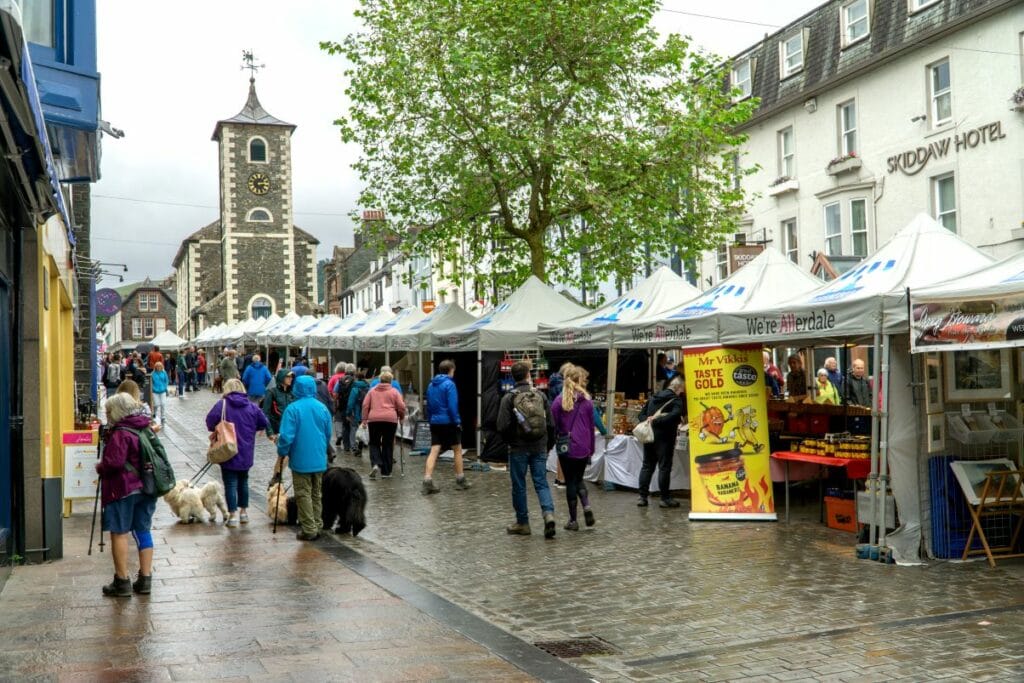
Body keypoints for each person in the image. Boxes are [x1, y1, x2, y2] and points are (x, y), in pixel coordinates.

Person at [96, 392, 158, 597]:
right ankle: (146, 578)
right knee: (143, 530)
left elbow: (114, 463)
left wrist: (100, 467)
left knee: (119, 531)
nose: (107, 415)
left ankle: (122, 581)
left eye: (108, 411)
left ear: (116, 411)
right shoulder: (145, 426)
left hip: (123, 488)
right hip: (147, 487)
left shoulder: (121, 432)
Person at [497, 361, 556, 537]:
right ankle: (548, 514)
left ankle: (523, 523)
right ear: (528, 375)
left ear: (512, 377)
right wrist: (548, 444)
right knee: (541, 482)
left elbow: (501, 426)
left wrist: (511, 442)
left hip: (518, 448)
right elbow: (551, 424)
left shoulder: (508, 397)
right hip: (539, 445)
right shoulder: (540, 396)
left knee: (519, 485)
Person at [206, 378, 270, 528]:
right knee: (244, 481)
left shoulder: (222, 405)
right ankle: (243, 513)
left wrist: (218, 427)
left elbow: (209, 422)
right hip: (246, 450)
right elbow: (264, 422)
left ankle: (232, 515)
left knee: (230, 483)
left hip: (227, 449)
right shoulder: (252, 406)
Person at [275, 375, 332, 541]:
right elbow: (328, 433)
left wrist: (282, 452)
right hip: (319, 457)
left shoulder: (293, 409)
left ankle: (309, 528)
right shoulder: (322, 408)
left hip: (301, 459)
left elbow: (286, 437)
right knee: (316, 493)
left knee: (303, 493)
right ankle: (317, 523)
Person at [551, 365, 597, 531]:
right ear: (580, 381)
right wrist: (591, 448)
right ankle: (587, 506)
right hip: (583, 446)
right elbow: (591, 428)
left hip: (566, 446)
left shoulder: (559, 401)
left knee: (570, 481)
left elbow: (553, 424)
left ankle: (573, 520)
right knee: (579, 479)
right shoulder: (587, 401)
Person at [636, 376, 686, 508]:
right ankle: (664, 498)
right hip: (665, 438)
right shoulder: (676, 400)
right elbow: (675, 414)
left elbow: (640, 415)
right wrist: (658, 421)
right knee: (664, 467)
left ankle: (642, 497)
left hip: (649, 436)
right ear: (678, 388)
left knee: (647, 466)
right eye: (682, 390)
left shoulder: (653, 397)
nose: (682, 392)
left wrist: (649, 421)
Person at [422, 359, 471, 494]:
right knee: (457, 449)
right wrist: (457, 421)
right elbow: (452, 406)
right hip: (449, 422)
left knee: (434, 450)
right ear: (451, 370)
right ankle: (460, 479)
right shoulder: (450, 384)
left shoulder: (431, 385)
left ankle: (427, 480)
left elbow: (429, 405)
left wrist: (431, 419)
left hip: (435, 422)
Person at [362, 370, 407, 479]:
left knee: (374, 443)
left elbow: (365, 405)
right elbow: (401, 406)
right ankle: (386, 472)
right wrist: (401, 417)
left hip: (374, 420)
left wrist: (364, 420)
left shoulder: (372, 391)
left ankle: (376, 463)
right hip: (390, 420)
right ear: (391, 381)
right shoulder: (394, 392)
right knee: (387, 444)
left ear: (379, 380)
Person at [262, 369, 296, 441]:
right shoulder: (271, 392)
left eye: (291, 377)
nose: (291, 379)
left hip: (291, 428)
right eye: (288, 377)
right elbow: (265, 413)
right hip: (277, 429)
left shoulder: (292, 393)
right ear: (282, 378)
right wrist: (270, 432)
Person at [346, 371, 371, 458]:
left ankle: (355, 448)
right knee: (363, 429)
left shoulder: (355, 388)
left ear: (356, 378)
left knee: (354, 429)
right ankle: (361, 447)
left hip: (356, 413)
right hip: (367, 413)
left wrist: (348, 413)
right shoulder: (369, 388)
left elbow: (350, 403)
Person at [334, 363, 357, 450]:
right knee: (353, 426)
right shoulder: (355, 381)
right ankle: (353, 445)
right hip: (353, 407)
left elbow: (335, 393)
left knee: (345, 425)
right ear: (354, 371)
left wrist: (336, 404)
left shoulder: (340, 380)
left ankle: (346, 446)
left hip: (343, 406)